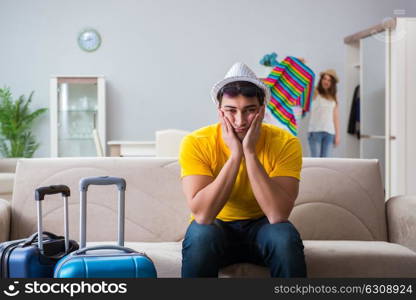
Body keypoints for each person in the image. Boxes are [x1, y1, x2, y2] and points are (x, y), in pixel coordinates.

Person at [179, 62, 307, 278]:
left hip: (263, 227)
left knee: (283, 236)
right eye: (231, 111)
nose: (240, 121)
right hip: (216, 228)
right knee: (201, 235)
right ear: (220, 113)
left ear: (262, 110)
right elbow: (202, 215)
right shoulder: (196, 142)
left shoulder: (286, 142)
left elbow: (277, 215)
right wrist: (235, 156)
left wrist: (249, 153)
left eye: (250, 111)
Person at [307, 69, 340, 157]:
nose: (326, 81)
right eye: (324, 79)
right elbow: (307, 82)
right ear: (321, 80)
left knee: (326, 162)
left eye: (329, 80)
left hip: (329, 133)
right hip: (315, 132)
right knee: (316, 162)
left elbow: (335, 117)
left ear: (332, 83)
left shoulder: (334, 97)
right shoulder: (315, 92)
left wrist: (337, 135)